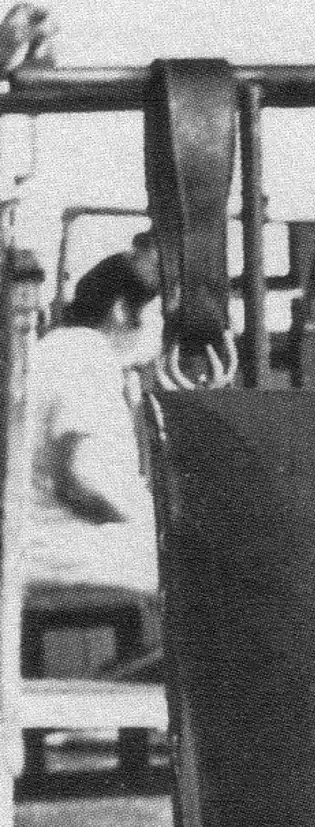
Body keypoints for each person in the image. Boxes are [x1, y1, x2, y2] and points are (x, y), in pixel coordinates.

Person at [24, 251, 162, 597]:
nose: (158, 332)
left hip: (49, 546)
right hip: (65, 553)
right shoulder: (85, 356)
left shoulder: (61, 348)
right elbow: (76, 480)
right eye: (155, 316)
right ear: (121, 310)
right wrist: (143, 520)